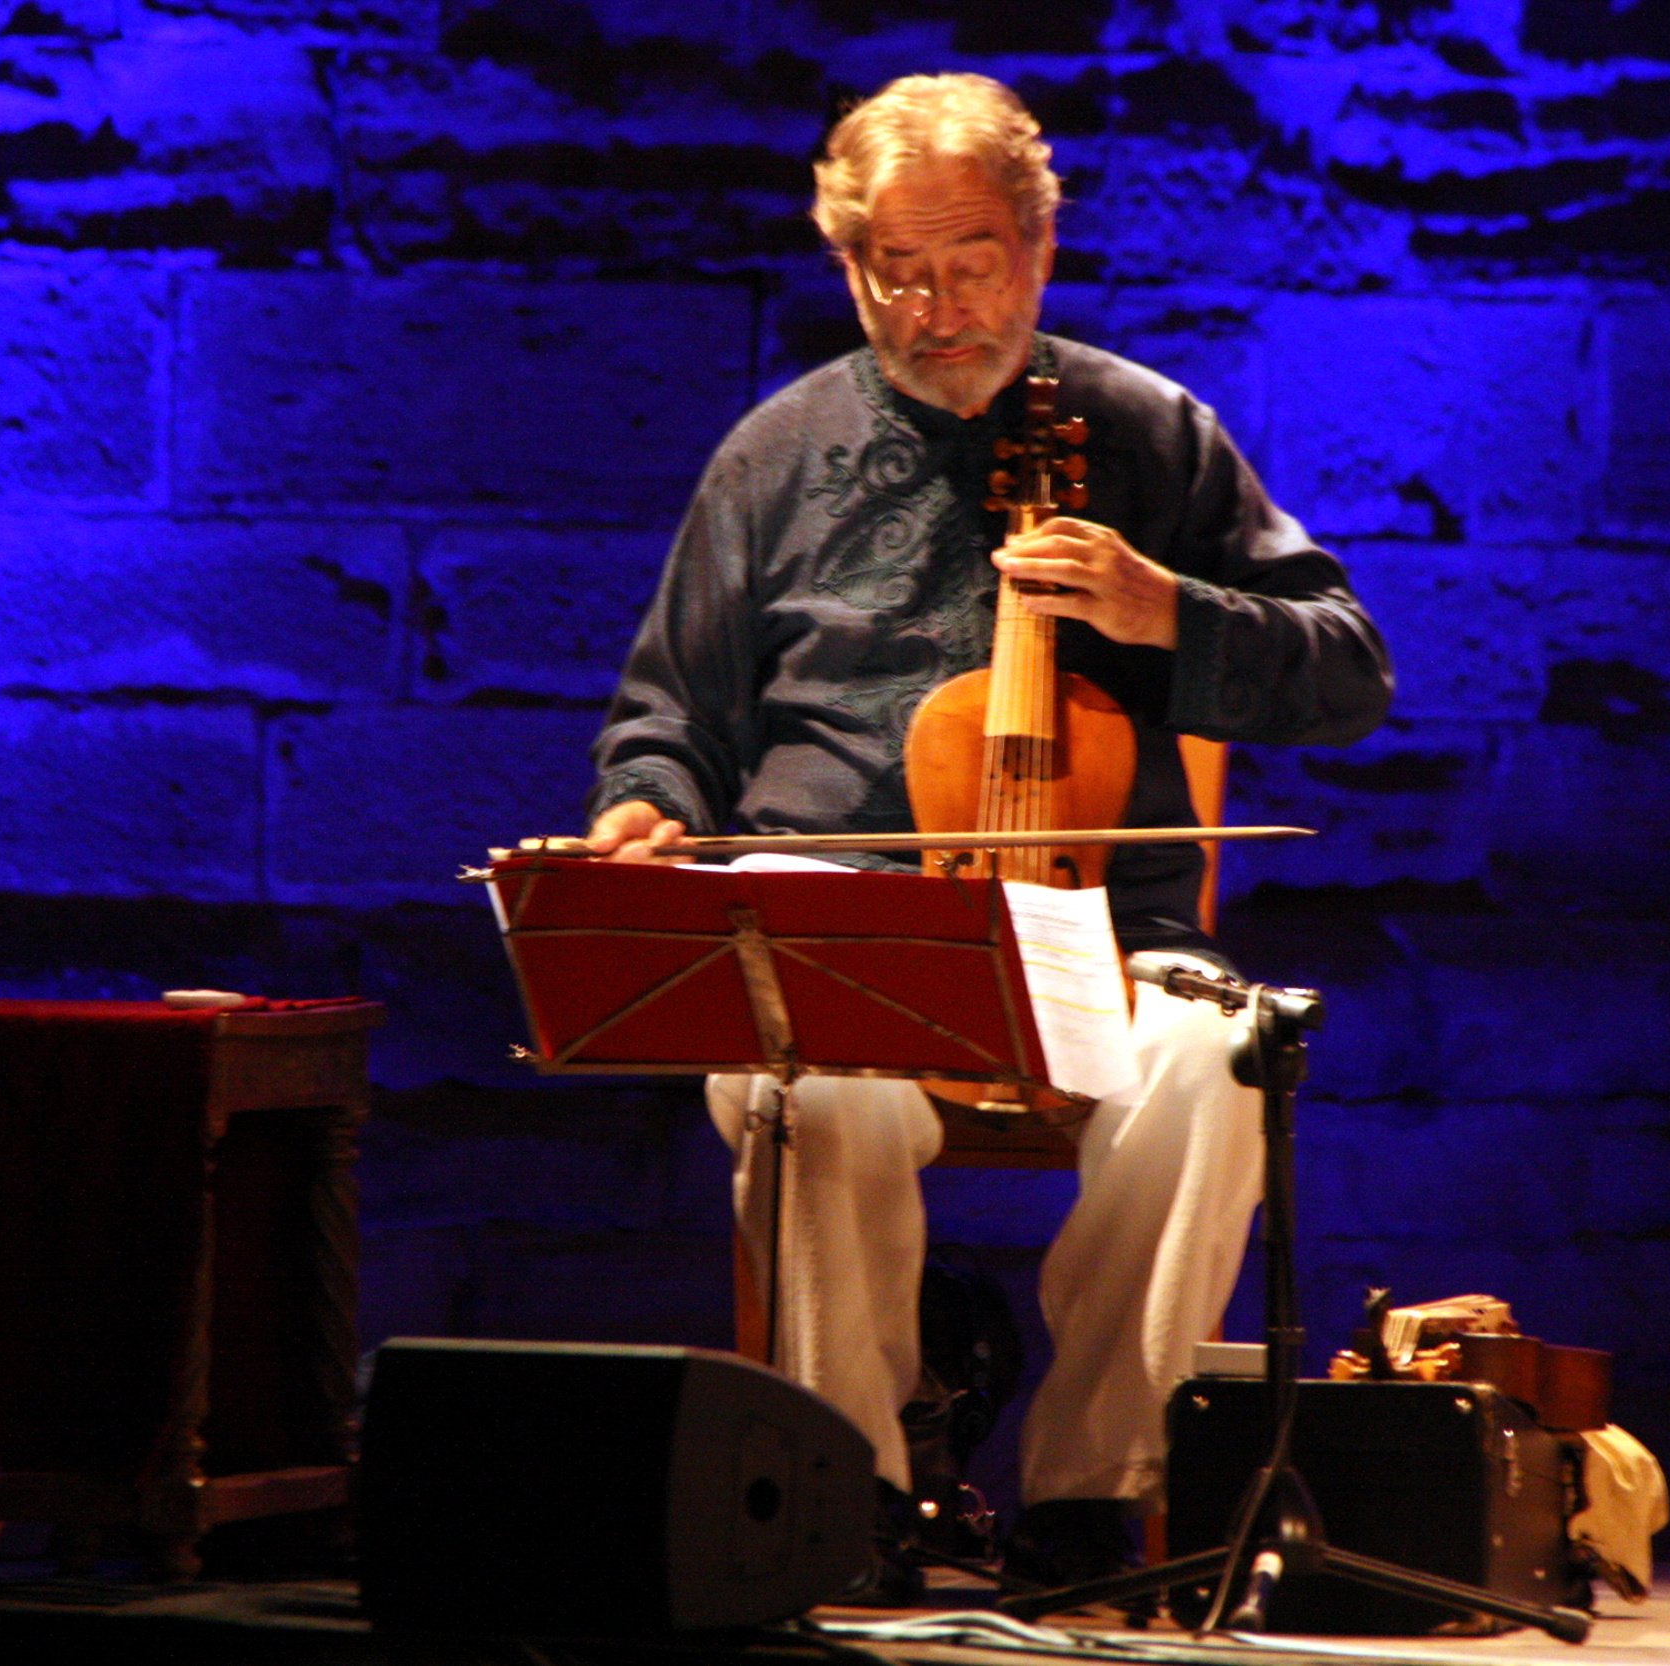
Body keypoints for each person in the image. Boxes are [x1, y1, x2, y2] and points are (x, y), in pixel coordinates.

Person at [584, 72, 1392, 1593]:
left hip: (1103, 932)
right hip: (845, 911)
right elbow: (670, 712)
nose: (940, 310)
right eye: (899, 272)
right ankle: (852, 1491)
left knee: (1221, 1065)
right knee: (798, 1083)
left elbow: (1350, 667)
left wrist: (1170, 611)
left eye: (971, 268)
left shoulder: (1151, 433)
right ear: (848, 264)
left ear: (1036, 250)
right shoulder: (775, 454)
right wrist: (646, 808)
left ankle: (1093, 1496)